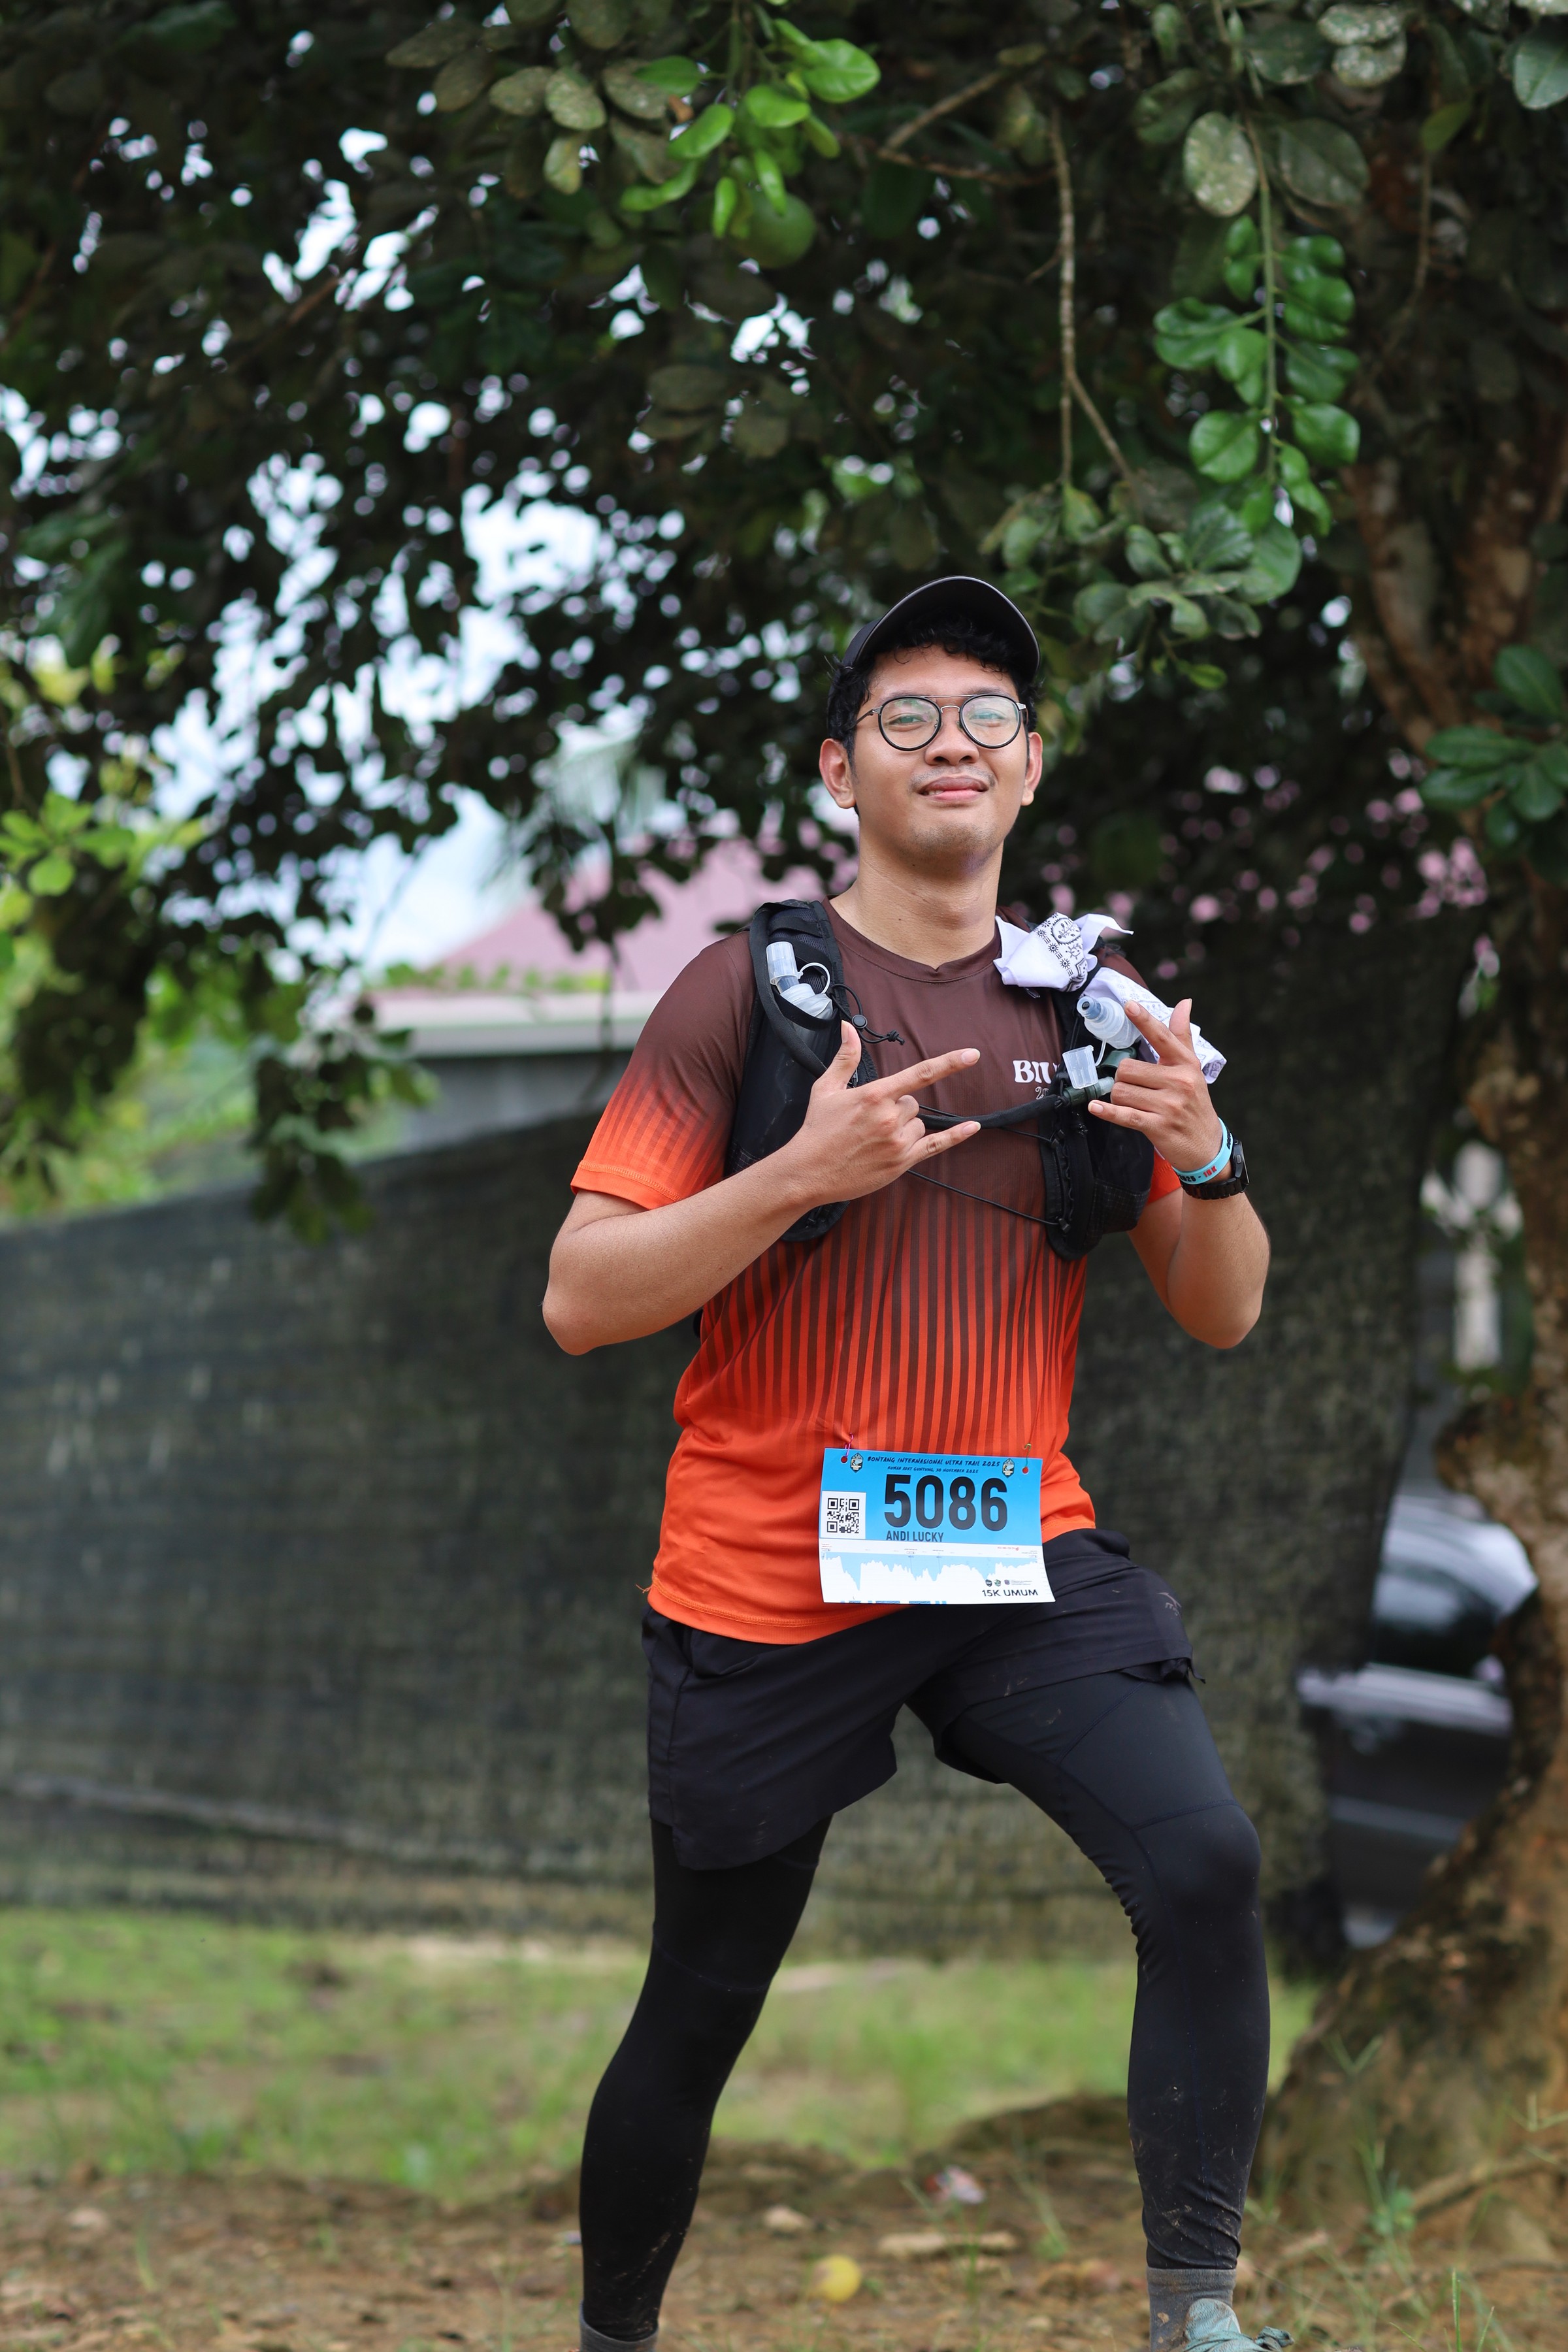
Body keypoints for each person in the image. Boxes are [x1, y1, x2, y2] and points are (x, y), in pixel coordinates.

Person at [543, 576, 1277, 2352]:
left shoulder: (1094, 1008)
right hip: (770, 1571)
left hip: (1014, 1550)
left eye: (987, 717)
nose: (952, 743)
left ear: (1029, 768)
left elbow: (1224, 1310)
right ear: (839, 771)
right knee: (700, 2005)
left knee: (1205, 1864)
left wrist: (1209, 1152)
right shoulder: (749, 991)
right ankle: (612, 2338)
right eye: (907, 718)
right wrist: (801, 1172)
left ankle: (1196, 2319)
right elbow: (580, 1298)